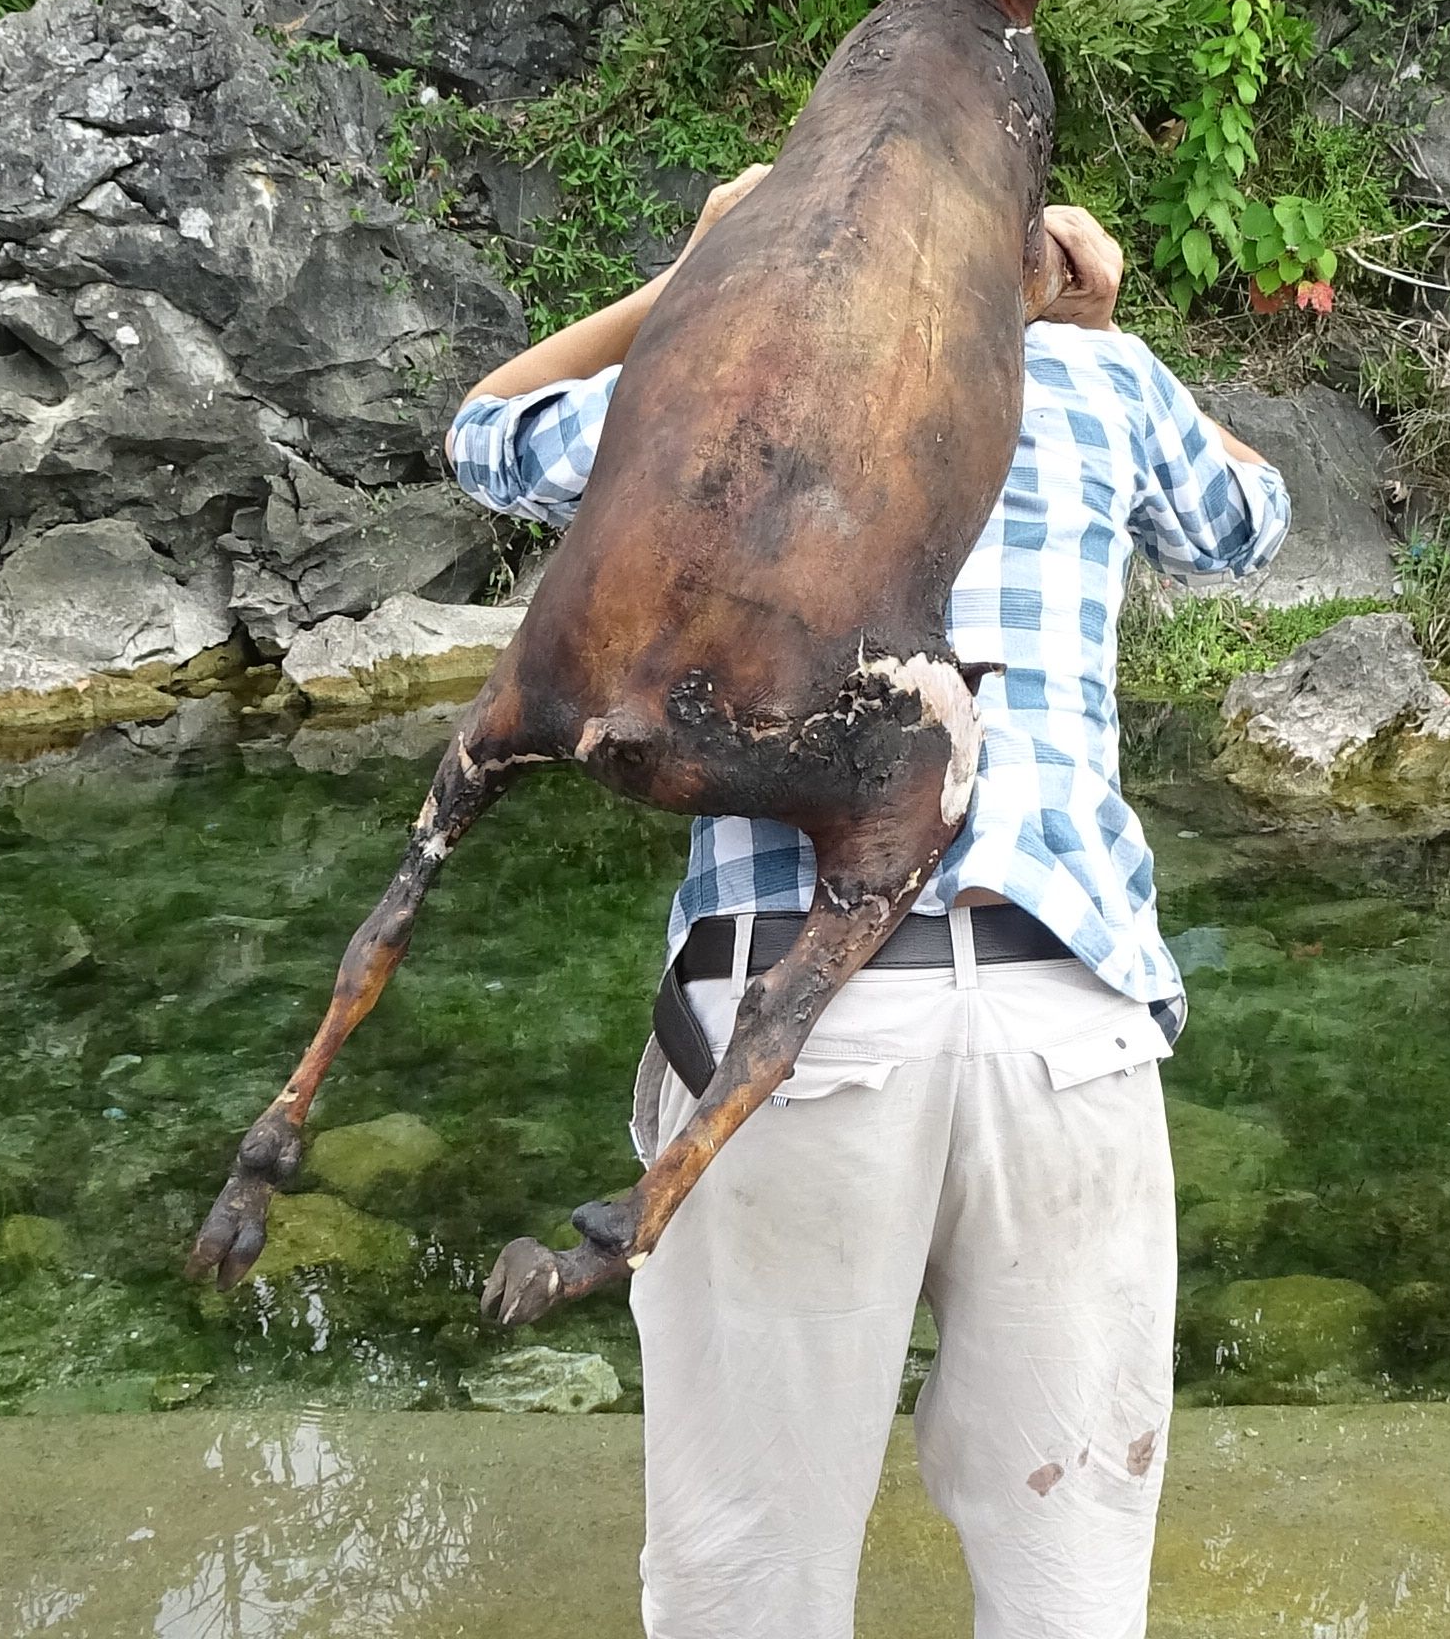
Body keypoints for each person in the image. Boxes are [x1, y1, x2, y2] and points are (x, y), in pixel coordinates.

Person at [446, 168, 1289, 1639]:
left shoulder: (720, 400)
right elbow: (1251, 520)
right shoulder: (1095, 384)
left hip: (792, 1018)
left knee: (748, 1583)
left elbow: (482, 435)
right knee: (1071, 1583)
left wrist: (692, 283)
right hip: (1065, 1019)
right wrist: (1099, 327)